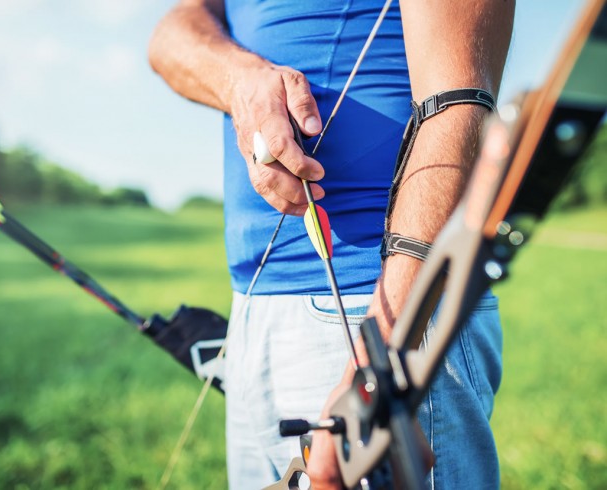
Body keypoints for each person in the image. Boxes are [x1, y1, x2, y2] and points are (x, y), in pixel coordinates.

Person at [149, 1, 514, 488]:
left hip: (384, 308)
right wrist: (241, 79)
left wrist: (374, 367)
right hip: (256, 306)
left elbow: (460, 103)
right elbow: (172, 34)